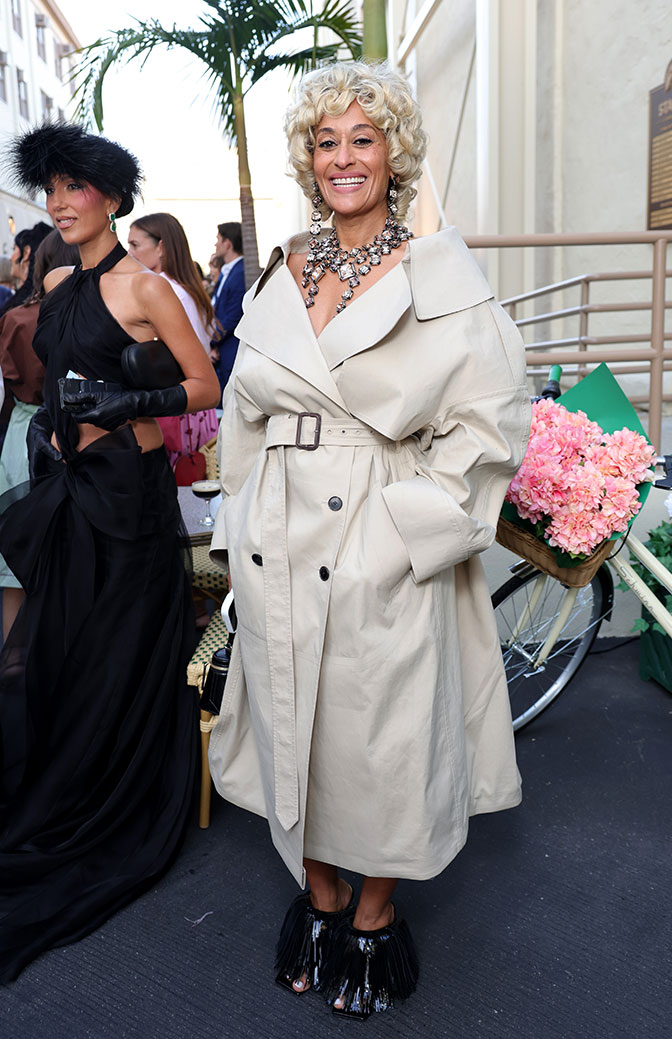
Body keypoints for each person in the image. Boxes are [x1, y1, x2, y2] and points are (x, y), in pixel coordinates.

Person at [208, 61, 531, 1019]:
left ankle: (374, 917)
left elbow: (488, 423)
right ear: (309, 160)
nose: (344, 158)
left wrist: (402, 530)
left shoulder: (441, 271)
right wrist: (240, 516)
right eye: (326, 141)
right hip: (278, 526)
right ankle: (319, 901)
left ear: (394, 153)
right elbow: (241, 408)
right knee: (292, 721)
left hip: (378, 525)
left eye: (363, 138)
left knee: (382, 738)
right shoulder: (287, 265)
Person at [0, 121, 220, 983]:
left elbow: (203, 385)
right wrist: (62, 417)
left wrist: (125, 401)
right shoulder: (54, 281)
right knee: (63, 644)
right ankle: (61, 783)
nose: (59, 203)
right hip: (64, 487)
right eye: (51, 190)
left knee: (116, 651)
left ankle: (110, 796)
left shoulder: (146, 284)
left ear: (111, 197)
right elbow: (51, 376)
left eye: (74, 189)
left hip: (128, 500)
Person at [0, 229, 79, 639]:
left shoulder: (15, 317)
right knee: (62, 554)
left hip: (19, 433)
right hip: (67, 432)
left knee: (13, 558)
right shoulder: (80, 318)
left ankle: (12, 662)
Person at [127, 212, 218, 467]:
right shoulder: (185, 289)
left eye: (135, 244)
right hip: (193, 409)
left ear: (161, 247)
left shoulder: (168, 292)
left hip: (178, 409)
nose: (129, 252)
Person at [210, 221, 244, 400]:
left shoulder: (241, 271)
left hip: (230, 350)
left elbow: (233, 315)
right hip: (221, 350)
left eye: (218, 239)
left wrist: (211, 341)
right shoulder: (226, 271)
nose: (215, 244)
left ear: (228, 243)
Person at [0, 221, 53, 320]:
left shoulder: (20, 309)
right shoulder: (47, 299)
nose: (11, 258)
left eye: (14, 249)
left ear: (26, 253)